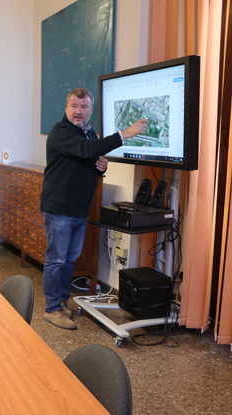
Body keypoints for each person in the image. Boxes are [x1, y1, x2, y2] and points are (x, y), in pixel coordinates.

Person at [40, 88, 148, 330]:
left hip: (79, 209)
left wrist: (101, 167)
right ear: (66, 108)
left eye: (83, 107)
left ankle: (61, 302)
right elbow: (86, 150)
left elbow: (88, 158)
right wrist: (126, 134)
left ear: (91, 110)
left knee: (70, 260)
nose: (78, 111)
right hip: (59, 208)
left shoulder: (88, 133)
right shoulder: (61, 132)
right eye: (74, 106)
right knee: (56, 260)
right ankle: (51, 309)